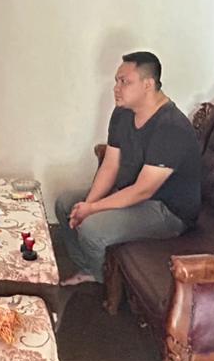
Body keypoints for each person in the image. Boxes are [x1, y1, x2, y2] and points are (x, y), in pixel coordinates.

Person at [55, 51, 201, 286]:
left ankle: (103, 281)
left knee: (91, 228)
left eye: (124, 82)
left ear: (148, 84)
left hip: (167, 210)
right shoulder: (122, 113)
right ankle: (90, 269)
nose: (116, 88)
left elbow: (143, 190)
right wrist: (87, 205)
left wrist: (92, 210)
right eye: (116, 81)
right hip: (134, 194)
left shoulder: (171, 127)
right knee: (65, 204)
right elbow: (110, 165)